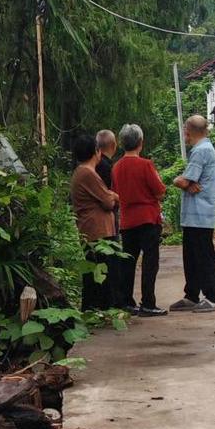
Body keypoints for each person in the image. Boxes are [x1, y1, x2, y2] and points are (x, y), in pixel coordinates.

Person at [112, 123, 167, 316]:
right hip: (148, 219)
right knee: (150, 262)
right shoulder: (146, 165)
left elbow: (116, 193)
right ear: (141, 143)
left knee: (128, 261)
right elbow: (160, 192)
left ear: (121, 143)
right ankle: (148, 303)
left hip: (127, 221)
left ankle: (126, 301)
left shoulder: (116, 167)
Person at [170, 115, 215, 313]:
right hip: (196, 215)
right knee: (191, 256)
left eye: (185, 132)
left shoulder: (200, 151)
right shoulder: (206, 149)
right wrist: (186, 182)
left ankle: (211, 297)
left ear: (188, 131)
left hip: (200, 214)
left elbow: (184, 180)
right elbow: (188, 182)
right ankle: (192, 294)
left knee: (203, 255)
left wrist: (179, 180)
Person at [70, 134, 119, 311]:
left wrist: (111, 196)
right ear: (96, 152)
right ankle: (100, 308)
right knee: (101, 271)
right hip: (97, 230)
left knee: (96, 270)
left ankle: (95, 307)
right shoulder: (88, 173)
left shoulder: (82, 171)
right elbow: (108, 200)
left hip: (92, 228)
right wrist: (114, 196)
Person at [94, 129, 127, 309]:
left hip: (94, 223)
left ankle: (105, 301)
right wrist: (115, 199)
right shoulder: (106, 167)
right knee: (111, 261)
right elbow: (108, 197)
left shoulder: (94, 166)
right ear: (114, 146)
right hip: (106, 221)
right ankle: (113, 301)